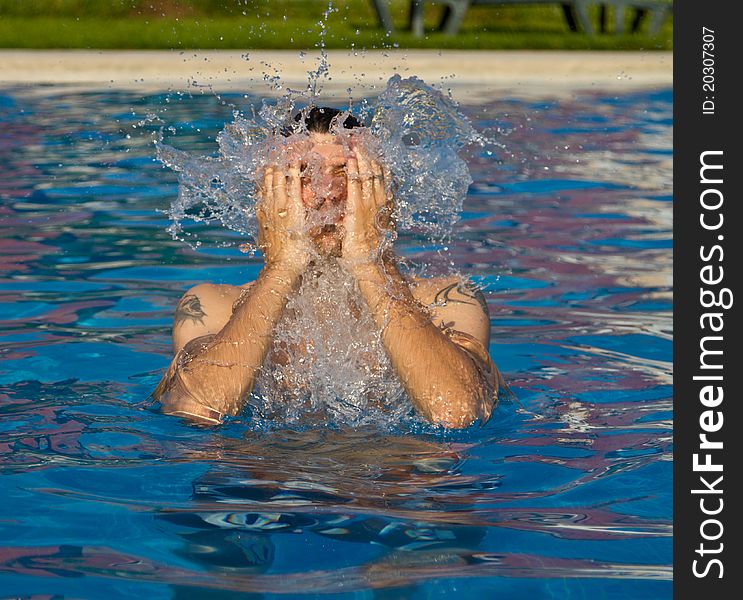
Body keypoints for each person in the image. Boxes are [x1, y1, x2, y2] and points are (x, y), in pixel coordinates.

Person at [151, 107, 505, 428]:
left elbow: (457, 413)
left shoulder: (447, 301)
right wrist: (282, 267)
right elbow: (197, 411)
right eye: (302, 175)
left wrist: (370, 262)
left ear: (383, 196)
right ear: (269, 199)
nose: (326, 193)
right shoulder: (213, 305)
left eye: (347, 175)